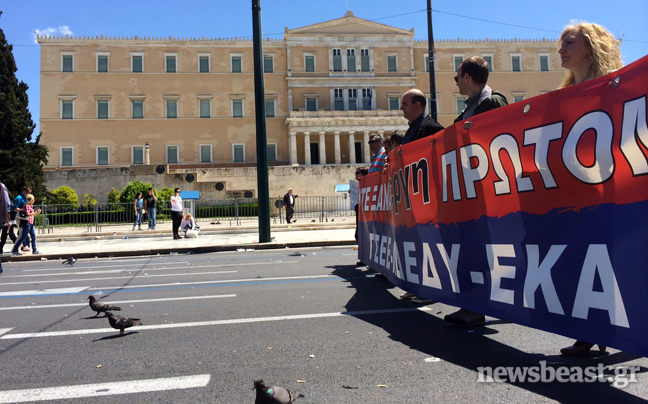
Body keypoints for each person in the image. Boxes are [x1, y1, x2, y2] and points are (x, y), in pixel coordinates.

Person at [556, 22, 622, 357]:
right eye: (560, 43)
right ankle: (589, 331)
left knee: (616, 262)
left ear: (591, 46)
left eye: (569, 42)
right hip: (577, 197)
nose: (561, 48)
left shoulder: (615, 88)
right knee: (583, 261)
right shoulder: (561, 98)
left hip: (613, 193)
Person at [443, 56, 509, 326]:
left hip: (487, 193)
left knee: (479, 250)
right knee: (469, 250)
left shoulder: (494, 102)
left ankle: (477, 306)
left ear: (467, 77)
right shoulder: (465, 112)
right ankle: (472, 304)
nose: (456, 82)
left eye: (457, 77)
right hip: (469, 193)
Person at [12, 187, 31, 252]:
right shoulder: (19, 198)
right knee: (21, 233)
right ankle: (18, 248)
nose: (28, 194)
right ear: (24, 191)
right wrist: (22, 211)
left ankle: (24, 246)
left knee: (23, 232)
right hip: (19, 217)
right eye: (28, 192)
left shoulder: (25, 198)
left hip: (23, 217)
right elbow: (14, 208)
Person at [0, 182, 17, 256]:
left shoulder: (8, 203)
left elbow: (9, 210)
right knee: (9, 234)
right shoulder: (9, 202)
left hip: (7, 221)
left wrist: (9, 220)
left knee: (6, 235)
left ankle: (1, 248)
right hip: (7, 220)